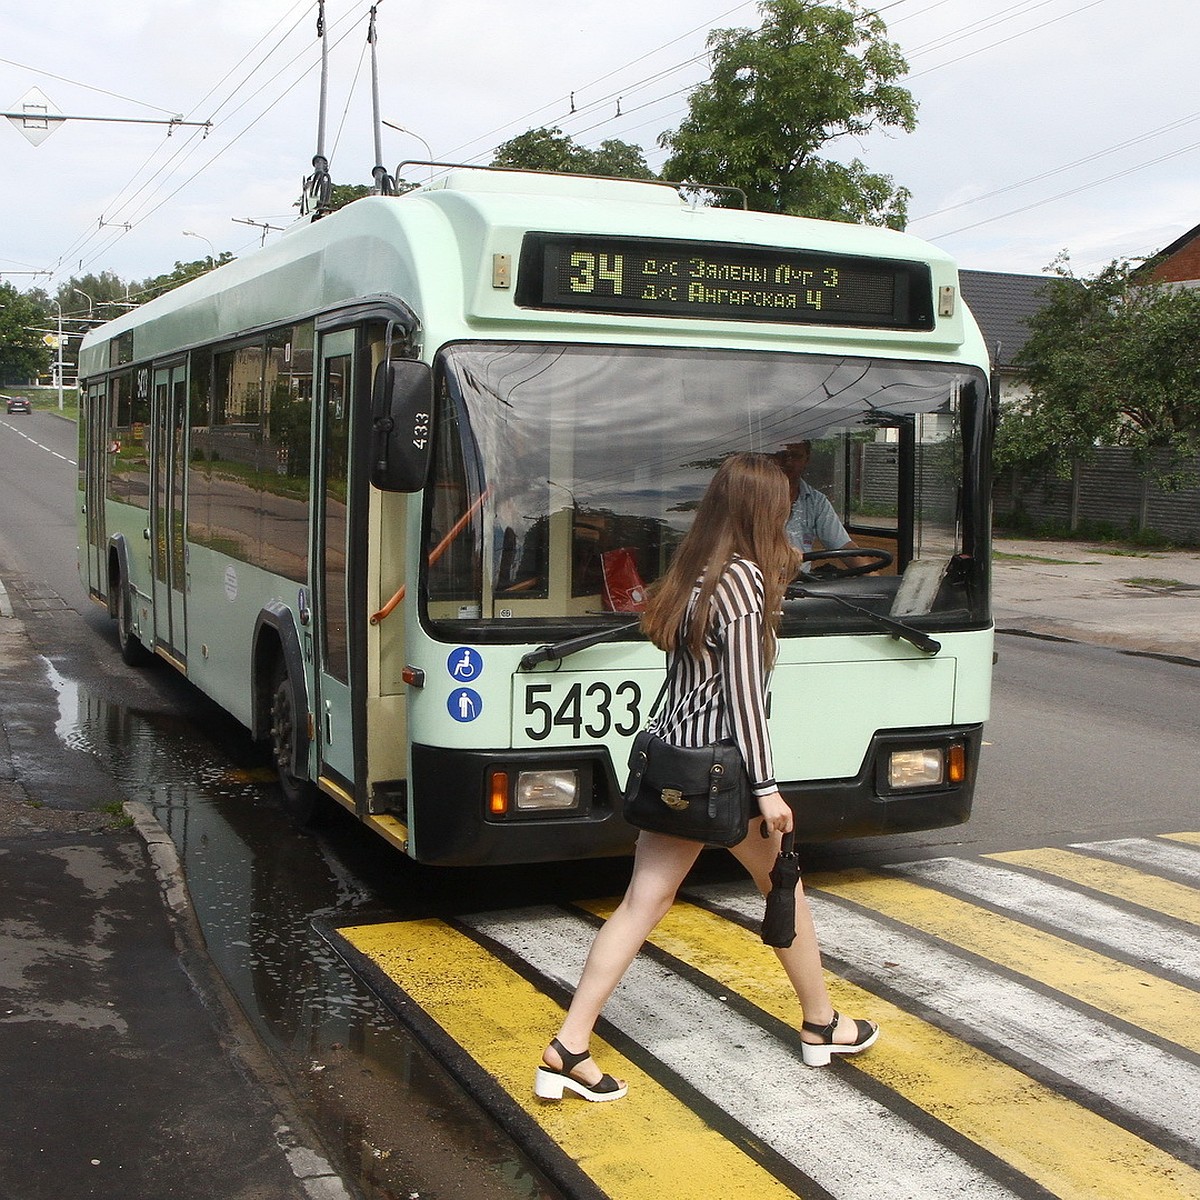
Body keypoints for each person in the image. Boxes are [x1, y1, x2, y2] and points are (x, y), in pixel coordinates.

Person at [534, 453, 878, 1103]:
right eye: (781, 505)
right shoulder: (745, 584)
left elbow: (685, 685)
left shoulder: (694, 577)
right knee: (781, 883)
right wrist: (769, 789)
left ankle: (568, 1048)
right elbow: (745, 697)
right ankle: (822, 1023)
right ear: (761, 511)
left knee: (644, 903)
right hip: (724, 772)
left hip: (675, 761)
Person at [775, 440, 867, 570]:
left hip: (801, 583)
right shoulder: (756, 498)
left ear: (807, 459)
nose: (788, 462)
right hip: (763, 584)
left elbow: (843, 545)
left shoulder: (816, 501)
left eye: (796, 456)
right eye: (783, 455)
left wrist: (873, 576)